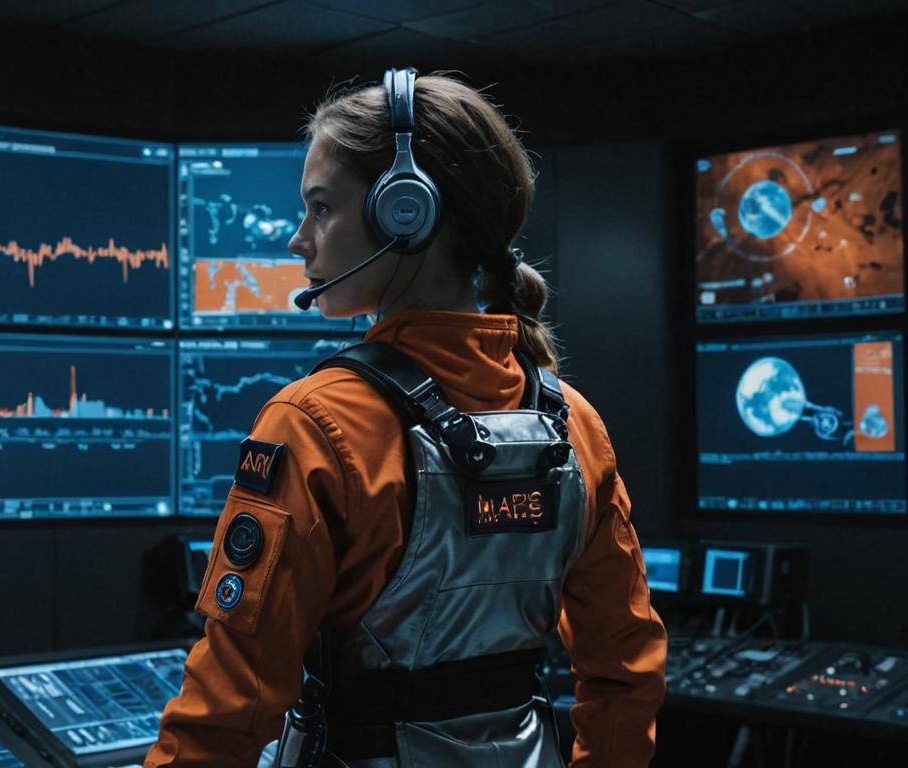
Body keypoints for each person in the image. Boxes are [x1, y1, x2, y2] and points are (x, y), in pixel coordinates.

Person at [145, 69, 666, 768]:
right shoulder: (576, 426)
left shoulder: (313, 423)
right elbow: (626, 671)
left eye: (321, 208)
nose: (300, 240)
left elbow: (230, 709)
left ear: (405, 213)